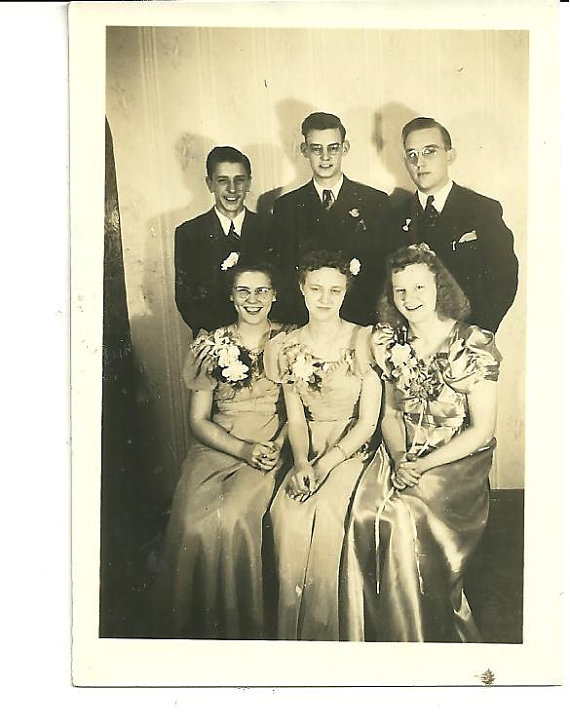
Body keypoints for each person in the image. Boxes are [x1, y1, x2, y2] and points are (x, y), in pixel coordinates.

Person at [340, 243, 501, 642]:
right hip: (402, 452)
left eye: (419, 288)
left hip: (455, 461)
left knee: (402, 516)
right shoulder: (389, 342)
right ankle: (378, 633)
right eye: (400, 291)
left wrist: (422, 465)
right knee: (363, 512)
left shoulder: (472, 342)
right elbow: (391, 414)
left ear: (439, 288)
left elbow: (481, 430)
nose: (410, 299)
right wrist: (398, 457)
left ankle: (420, 632)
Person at [151, 260, 287, 639]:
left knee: (236, 515)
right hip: (220, 443)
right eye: (243, 291)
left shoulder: (291, 340)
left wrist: (273, 446)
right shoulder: (210, 345)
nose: (253, 299)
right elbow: (198, 420)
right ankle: (201, 628)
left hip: (270, 443)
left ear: (275, 296)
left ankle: (244, 627)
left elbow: (301, 410)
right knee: (196, 520)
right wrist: (241, 449)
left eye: (262, 291)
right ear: (231, 296)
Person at [264, 249, 382, 640]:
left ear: (346, 292)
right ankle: (293, 633)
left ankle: (329, 632)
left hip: (351, 449)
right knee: (288, 514)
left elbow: (368, 422)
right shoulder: (286, 346)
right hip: (308, 446)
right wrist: (300, 463)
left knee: (331, 513)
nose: (325, 299)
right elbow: (295, 418)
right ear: (301, 289)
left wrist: (327, 463)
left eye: (335, 290)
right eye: (316, 289)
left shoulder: (364, 339)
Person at [391, 117, 518, 333]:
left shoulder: (483, 210)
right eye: (412, 154)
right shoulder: (394, 216)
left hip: (467, 340)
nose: (419, 162)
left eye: (429, 151)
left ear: (450, 155)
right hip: (411, 345)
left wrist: (473, 336)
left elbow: (504, 278)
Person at [271, 112, 392, 326]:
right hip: (306, 323)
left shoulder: (375, 202)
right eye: (316, 148)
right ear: (304, 150)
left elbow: (381, 273)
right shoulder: (286, 206)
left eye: (333, 148)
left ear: (344, 148)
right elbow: (285, 275)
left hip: (359, 321)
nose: (325, 157)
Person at [174, 146, 271, 336]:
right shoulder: (189, 233)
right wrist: (223, 336)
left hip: (265, 336)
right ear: (210, 184)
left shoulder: (270, 229)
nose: (232, 189)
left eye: (239, 180)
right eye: (222, 181)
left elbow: (279, 287)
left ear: (249, 183)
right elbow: (186, 299)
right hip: (216, 337)